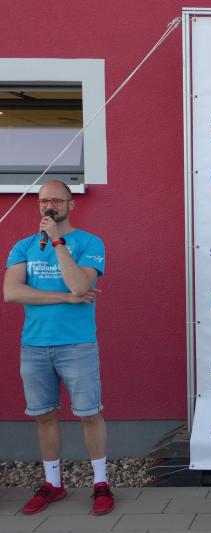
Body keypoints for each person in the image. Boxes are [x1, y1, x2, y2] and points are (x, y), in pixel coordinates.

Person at [3, 180, 114, 515]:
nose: (48, 206)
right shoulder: (23, 246)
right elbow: (12, 292)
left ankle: (100, 483)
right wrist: (64, 297)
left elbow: (80, 285)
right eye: (43, 201)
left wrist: (57, 242)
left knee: (89, 414)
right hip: (34, 345)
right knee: (44, 416)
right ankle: (53, 484)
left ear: (71, 204)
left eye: (56, 200)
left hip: (77, 344)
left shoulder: (89, 242)